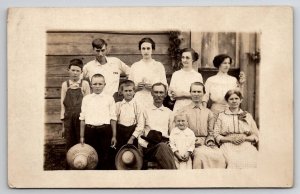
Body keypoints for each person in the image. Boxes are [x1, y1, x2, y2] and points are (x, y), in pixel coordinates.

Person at [178, 82, 226, 169]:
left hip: (205, 143)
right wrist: (191, 141)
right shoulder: (183, 111)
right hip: (189, 143)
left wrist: (210, 141)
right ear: (190, 93)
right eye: (194, 91)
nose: (196, 94)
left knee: (220, 156)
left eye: (199, 92)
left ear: (204, 93)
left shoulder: (208, 112)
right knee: (200, 155)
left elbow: (210, 132)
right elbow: (179, 131)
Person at [79, 74, 117, 170]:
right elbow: (82, 119)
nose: (97, 86)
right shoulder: (86, 99)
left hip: (105, 131)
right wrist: (82, 136)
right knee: (91, 156)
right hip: (90, 131)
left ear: (105, 84)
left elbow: (113, 118)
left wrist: (114, 136)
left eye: (100, 84)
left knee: (105, 156)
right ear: (91, 85)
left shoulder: (109, 99)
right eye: (95, 84)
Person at [214, 89, 259, 168]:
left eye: (236, 98)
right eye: (231, 99)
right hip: (228, 144)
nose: (234, 101)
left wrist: (245, 138)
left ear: (241, 100)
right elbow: (216, 134)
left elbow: (255, 135)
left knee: (254, 161)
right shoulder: (221, 115)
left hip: (245, 144)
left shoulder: (247, 115)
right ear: (227, 101)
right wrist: (230, 139)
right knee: (234, 161)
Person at [136, 82, 176, 169]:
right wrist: (146, 145)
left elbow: (172, 133)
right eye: (156, 92)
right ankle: (175, 175)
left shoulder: (169, 112)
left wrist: (170, 144)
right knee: (162, 147)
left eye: (161, 92)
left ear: (165, 94)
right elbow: (139, 132)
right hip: (149, 148)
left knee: (163, 146)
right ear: (151, 93)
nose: (158, 95)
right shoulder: (145, 111)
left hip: (164, 144)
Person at [60, 59, 90, 156]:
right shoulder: (65, 85)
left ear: (81, 72)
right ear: (68, 70)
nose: (75, 73)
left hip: (80, 119)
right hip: (68, 119)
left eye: (77, 71)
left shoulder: (84, 84)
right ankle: (70, 165)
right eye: (73, 70)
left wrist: (86, 121)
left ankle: (83, 162)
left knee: (81, 141)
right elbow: (62, 105)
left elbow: (88, 105)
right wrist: (63, 125)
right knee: (69, 142)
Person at [128, 37, 168, 108]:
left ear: (152, 49)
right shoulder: (135, 66)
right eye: (143, 48)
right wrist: (136, 88)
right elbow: (129, 87)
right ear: (140, 50)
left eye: (148, 48)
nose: (146, 51)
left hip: (154, 100)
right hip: (138, 100)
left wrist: (154, 88)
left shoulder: (158, 65)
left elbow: (165, 87)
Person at [169, 48, 203, 112]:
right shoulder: (176, 74)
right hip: (179, 106)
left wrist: (182, 94)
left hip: (192, 107)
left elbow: (199, 95)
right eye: (183, 57)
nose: (185, 60)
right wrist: (190, 94)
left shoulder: (197, 76)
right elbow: (172, 95)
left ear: (193, 59)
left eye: (187, 58)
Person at [115, 80, 143, 149]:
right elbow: (114, 121)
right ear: (122, 92)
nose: (128, 93)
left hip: (132, 135)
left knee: (131, 156)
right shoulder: (118, 105)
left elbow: (140, 124)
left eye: (130, 91)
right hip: (120, 135)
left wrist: (132, 138)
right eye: (126, 91)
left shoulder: (138, 105)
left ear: (134, 92)